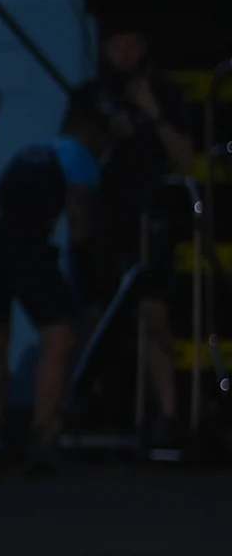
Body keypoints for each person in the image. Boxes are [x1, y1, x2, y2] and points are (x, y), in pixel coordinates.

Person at [0, 88, 106, 471]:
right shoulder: (81, 159)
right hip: (23, 247)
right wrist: (88, 289)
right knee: (61, 336)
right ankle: (44, 434)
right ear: (90, 131)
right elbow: (79, 224)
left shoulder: (31, 151)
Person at [94, 30, 203, 447]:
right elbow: (75, 151)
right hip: (109, 219)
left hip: (154, 216)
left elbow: (185, 159)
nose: (127, 53)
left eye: (134, 44)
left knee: (153, 312)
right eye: (118, 45)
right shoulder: (94, 95)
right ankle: (107, 406)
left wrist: (153, 113)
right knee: (100, 313)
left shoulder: (166, 93)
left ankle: (168, 413)